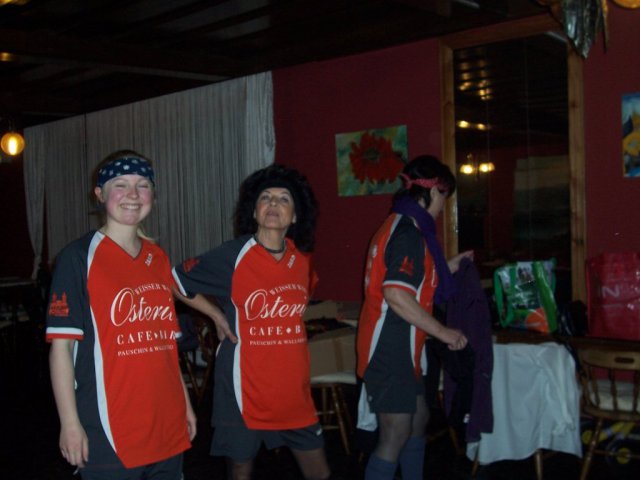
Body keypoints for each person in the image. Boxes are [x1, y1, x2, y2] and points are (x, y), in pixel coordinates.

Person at [172, 164, 331, 480]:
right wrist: (215, 314)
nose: (273, 204)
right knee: (241, 470)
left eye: (284, 199)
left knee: (319, 472)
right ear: (255, 211)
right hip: (243, 388)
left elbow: (301, 300)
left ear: (295, 216)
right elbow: (175, 279)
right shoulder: (234, 255)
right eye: (266, 197)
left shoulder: (301, 260)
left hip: (292, 388)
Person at [46, 150, 196, 480]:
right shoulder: (77, 258)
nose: (133, 194)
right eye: (120, 184)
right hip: (108, 429)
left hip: (167, 421)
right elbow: (61, 349)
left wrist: (185, 404)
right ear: (100, 194)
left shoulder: (157, 258)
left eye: (143, 185)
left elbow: (167, 345)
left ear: (152, 195)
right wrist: (69, 423)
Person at [356, 154, 471, 480]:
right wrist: (444, 333)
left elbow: (416, 281)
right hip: (389, 350)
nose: (444, 206)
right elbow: (396, 294)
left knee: (418, 420)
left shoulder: (402, 224)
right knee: (395, 434)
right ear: (432, 191)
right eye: (444, 197)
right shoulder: (408, 233)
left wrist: (450, 266)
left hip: (404, 349)